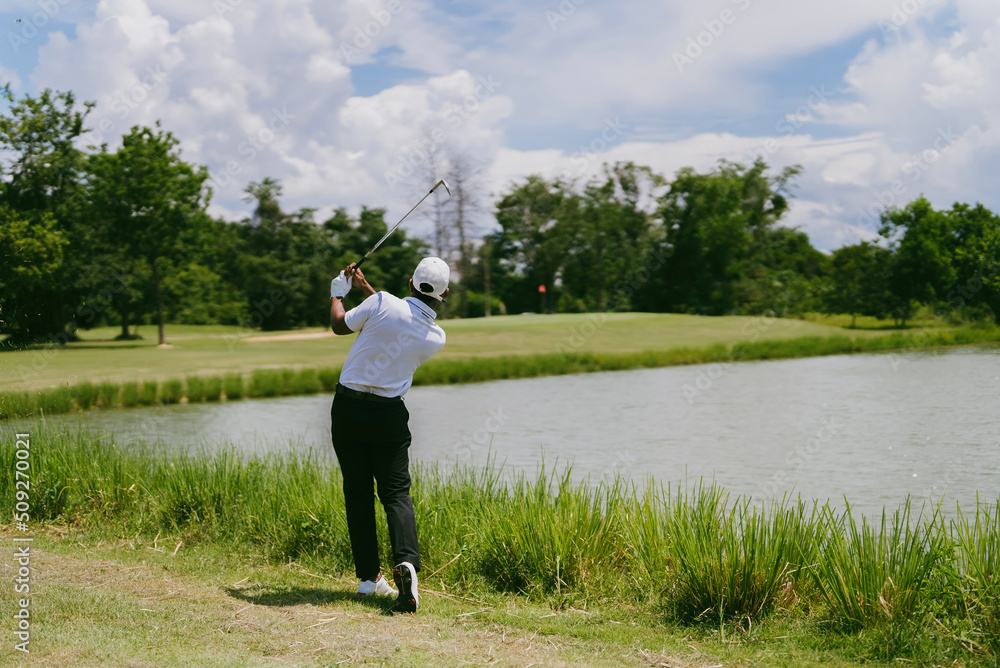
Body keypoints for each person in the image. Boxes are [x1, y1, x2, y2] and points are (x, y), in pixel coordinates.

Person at [328, 256, 450, 613]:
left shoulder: (381, 302)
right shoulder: (436, 337)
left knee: (358, 492)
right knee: (396, 493)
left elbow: (340, 325)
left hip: (348, 409)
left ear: (410, 282)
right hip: (388, 416)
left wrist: (339, 292)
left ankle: (368, 579)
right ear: (446, 295)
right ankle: (406, 564)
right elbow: (397, 313)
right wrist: (365, 287)